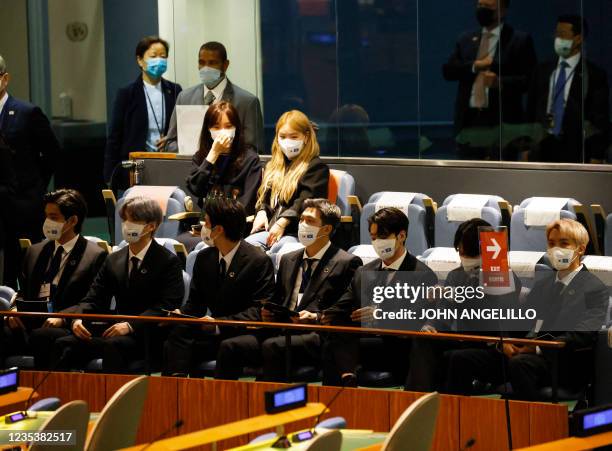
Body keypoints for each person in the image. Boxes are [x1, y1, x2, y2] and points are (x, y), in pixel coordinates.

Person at [446, 219, 608, 400]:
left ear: (581, 249)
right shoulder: (543, 284)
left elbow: (583, 335)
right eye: (551, 243)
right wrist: (505, 342)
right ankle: (456, 420)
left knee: (519, 364)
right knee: (459, 359)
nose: (556, 249)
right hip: (525, 356)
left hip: (561, 363)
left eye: (563, 243)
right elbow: (520, 323)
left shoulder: (594, 288)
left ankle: (527, 424)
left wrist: (537, 347)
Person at [215, 199, 362, 381]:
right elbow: (278, 299)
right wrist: (269, 312)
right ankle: (225, 405)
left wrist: (316, 317)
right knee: (230, 347)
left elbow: (346, 310)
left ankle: (272, 405)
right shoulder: (288, 259)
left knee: (273, 346)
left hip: (319, 335)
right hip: (283, 329)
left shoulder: (346, 262)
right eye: (301, 220)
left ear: (326, 229)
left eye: (309, 221)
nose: (302, 225)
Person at [52, 197, 184, 372]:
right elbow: (94, 297)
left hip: (146, 335)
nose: (127, 225)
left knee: (113, 346)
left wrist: (130, 325)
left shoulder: (168, 261)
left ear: (151, 226)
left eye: (134, 220)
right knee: (63, 344)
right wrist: (78, 318)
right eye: (125, 220)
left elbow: (167, 305)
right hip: (114, 330)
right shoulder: (113, 259)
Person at [321, 207, 438, 386]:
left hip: (395, 346)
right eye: (373, 238)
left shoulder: (422, 274)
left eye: (382, 237)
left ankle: (347, 378)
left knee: (340, 345)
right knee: (335, 333)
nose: (377, 243)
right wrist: (319, 315)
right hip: (365, 344)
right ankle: (345, 385)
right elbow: (342, 305)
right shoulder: (364, 271)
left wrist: (379, 314)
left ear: (401, 236)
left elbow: (415, 319)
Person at [163, 196, 275, 378]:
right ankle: (178, 391)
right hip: (213, 330)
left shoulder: (258, 261)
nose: (203, 227)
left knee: (228, 347)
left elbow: (258, 311)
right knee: (178, 334)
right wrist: (181, 313)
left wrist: (218, 324)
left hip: (244, 331)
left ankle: (220, 403)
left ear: (219, 230)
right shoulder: (204, 258)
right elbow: (195, 303)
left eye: (206, 223)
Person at [405, 218, 522, 392]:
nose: (465, 259)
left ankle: (452, 409)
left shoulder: (505, 278)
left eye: (471, 254)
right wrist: (430, 326)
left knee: (458, 358)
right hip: (463, 340)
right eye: (461, 252)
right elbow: (443, 313)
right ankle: (416, 397)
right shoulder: (455, 275)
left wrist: (460, 296)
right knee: (423, 340)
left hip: (493, 348)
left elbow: (489, 318)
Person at [1, 189, 107, 368]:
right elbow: (23, 292)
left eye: (53, 217)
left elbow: (93, 301)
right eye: (46, 216)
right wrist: (13, 310)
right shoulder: (34, 251)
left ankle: (43, 393)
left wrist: (63, 317)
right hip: (32, 323)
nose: (47, 222)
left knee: (43, 336)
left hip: (66, 326)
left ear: (72, 220)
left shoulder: (95, 256)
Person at [442, 0, 536, 160]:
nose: (482, 10)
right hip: (470, 121)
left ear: (502, 11)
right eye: (480, 5)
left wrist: (500, 82)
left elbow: (530, 81)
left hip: (501, 124)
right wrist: (474, 66)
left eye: (488, 6)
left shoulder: (519, 40)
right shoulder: (465, 39)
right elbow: (449, 71)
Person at [0, 55, 61, 288]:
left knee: (24, 265)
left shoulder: (27, 112)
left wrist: (34, 186)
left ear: (5, 79)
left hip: (23, 202)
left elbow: (53, 154)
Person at [527, 16, 609, 164]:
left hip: (576, 151)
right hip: (542, 148)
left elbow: (599, 118)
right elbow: (531, 109)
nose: (557, 39)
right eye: (556, 34)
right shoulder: (542, 70)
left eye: (563, 35)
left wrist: (597, 154)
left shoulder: (594, 74)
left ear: (578, 39)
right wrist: (525, 146)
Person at [104, 36, 182, 190]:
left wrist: (170, 139)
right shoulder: (127, 93)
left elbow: (182, 128)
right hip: (136, 166)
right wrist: (109, 174)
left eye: (163, 56)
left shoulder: (174, 90)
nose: (159, 60)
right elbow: (115, 136)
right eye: (153, 56)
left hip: (167, 163)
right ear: (140, 60)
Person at [246, 110, 329, 254]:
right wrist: (261, 212)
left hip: (296, 233)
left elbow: (304, 202)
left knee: (279, 252)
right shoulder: (273, 166)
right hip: (269, 230)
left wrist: (282, 223)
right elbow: (264, 198)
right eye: (282, 136)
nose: (287, 142)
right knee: (245, 250)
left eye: (294, 136)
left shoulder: (316, 167)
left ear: (306, 137)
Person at [165, 41, 264, 155]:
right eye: (201, 63)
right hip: (192, 168)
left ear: (225, 65)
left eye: (212, 63)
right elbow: (170, 143)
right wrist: (196, 153)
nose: (206, 68)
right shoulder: (184, 98)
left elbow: (254, 148)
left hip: (231, 170)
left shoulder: (247, 102)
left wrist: (220, 152)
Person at [186, 101, 262, 215]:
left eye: (228, 126)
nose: (223, 132)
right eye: (216, 127)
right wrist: (213, 154)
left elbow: (247, 205)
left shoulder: (251, 160)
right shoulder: (200, 157)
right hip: (206, 224)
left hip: (238, 226)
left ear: (236, 128)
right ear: (208, 130)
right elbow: (196, 189)